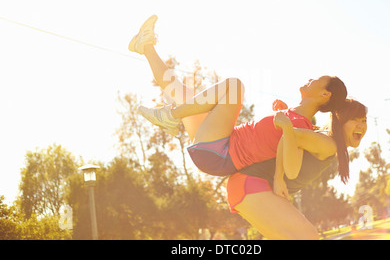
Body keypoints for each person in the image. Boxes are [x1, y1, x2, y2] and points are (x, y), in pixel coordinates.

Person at [129, 15, 350, 180]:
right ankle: (145, 45)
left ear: (324, 94)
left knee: (234, 87)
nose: (310, 79)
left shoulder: (301, 129)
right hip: (216, 144)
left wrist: (287, 130)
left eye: (316, 80)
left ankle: (170, 115)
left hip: (220, 154)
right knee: (180, 91)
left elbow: (291, 166)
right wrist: (283, 113)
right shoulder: (290, 116)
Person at [228, 98, 367, 239]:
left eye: (364, 120)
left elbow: (291, 135)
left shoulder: (322, 136)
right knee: (308, 236)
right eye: (355, 120)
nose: (361, 126)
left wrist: (286, 115)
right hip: (251, 185)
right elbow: (293, 135)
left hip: (246, 186)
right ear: (339, 120)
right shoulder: (329, 144)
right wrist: (278, 177)